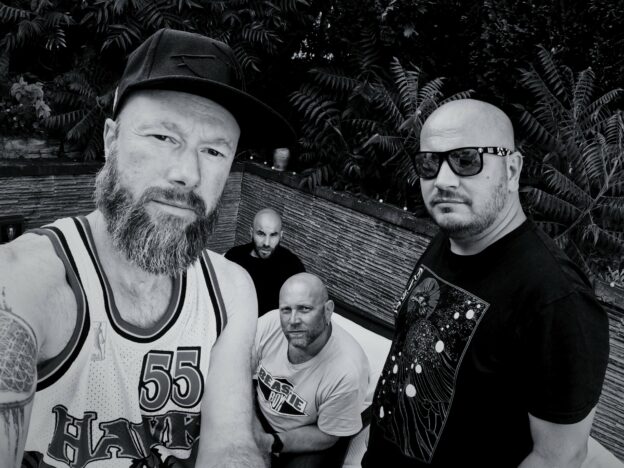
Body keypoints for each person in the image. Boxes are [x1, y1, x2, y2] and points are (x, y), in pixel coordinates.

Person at [0, 28, 294, 468]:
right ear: (111, 140)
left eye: (214, 151)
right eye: (162, 137)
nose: (188, 174)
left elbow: (231, 442)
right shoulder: (23, 281)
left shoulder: (231, 290)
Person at [362, 99, 610, 468]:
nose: (442, 180)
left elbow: (558, 456)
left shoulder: (556, 299)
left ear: (512, 169)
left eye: (466, 160)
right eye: (429, 163)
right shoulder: (451, 236)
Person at [253, 273, 369, 468]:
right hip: (259, 414)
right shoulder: (269, 324)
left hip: (311, 433)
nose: (293, 320)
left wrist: (269, 443)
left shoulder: (347, 371)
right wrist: (253, 431)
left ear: (328, 311)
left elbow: (327, 435)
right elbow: (237, 376)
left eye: (304, 309)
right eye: (286, 310)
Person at [225, 208, 305, 316]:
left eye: (273, 235)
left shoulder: (293, 266)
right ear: (251, 232)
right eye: (261, 234)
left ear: (281, 235)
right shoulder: (234, 256)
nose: (266, 243)